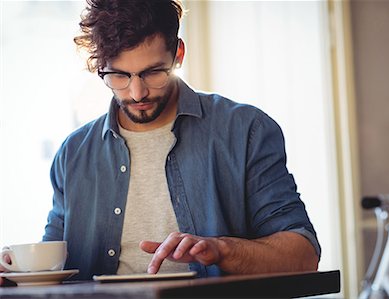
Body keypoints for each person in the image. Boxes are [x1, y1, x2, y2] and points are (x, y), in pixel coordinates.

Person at [1, 0, 320, 283]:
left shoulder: (245, 130)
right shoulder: (73, 154)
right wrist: (16, 270)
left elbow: (302, 255)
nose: (137, 93)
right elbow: (52, 264)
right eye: (119, 76)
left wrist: (221, 250)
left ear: (178, 54)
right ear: (100, 67)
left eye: (153, 73)